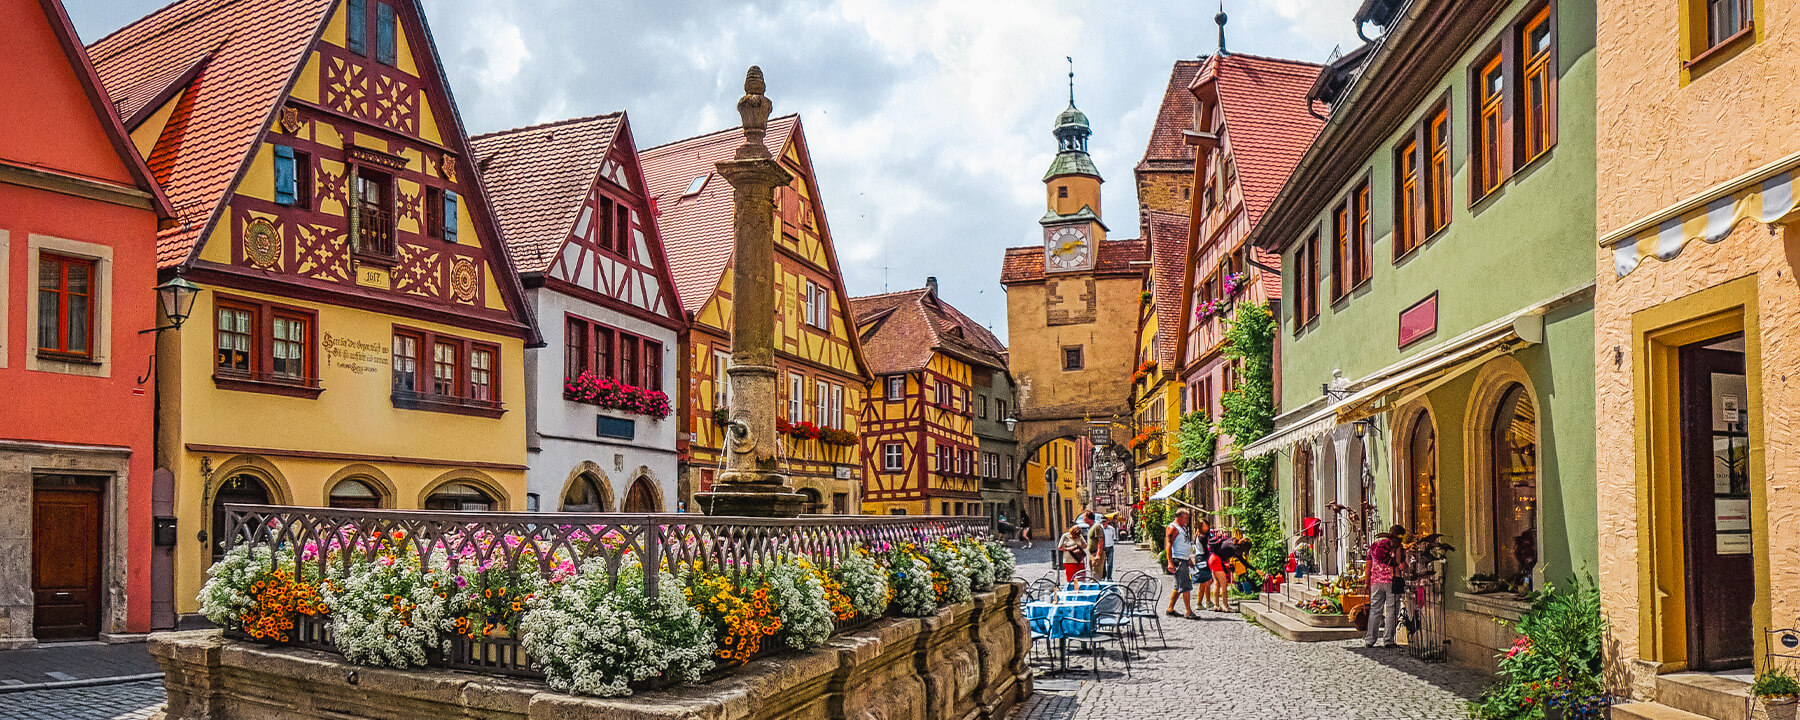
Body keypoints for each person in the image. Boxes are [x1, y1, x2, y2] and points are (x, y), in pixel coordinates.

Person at [1365, 524, 1407, 648]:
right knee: (1391, 611)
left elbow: (1368, 565)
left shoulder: (1374, 546)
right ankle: (1388, 640)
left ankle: (1370, 640)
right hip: (1391, 582)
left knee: (1375, 610)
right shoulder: (1397, 548)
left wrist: (1367, 582)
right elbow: (1400, 565)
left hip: (1376, 582)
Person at [1163, 509, 1199, 618]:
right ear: (1179, 517)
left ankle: (1170, 609)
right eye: (1185, 518)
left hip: (1183, 559)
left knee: (1178, 586)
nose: (1187, 520)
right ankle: (1188, 611)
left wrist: (1188, 559)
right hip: (1178, 560)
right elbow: (1168, 545)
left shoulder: (1182, 528)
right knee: (1186, 586)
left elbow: (1183, 544)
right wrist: (1170, 562)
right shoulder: (1173, 528)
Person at [1191, 517, 1215, 610]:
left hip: (1202, 557)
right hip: (1202, 558)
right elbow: (1207, 549)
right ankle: (1199, 603)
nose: (1206, 527)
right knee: (1204, 582)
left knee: (1208, 580)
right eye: (1203, 526)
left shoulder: (1203, 535)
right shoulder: (1202, 537)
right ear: (1200, 527)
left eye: (1207, 525)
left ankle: (1208, 601)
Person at [1084, 516, 1107, 580]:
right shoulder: (1090, 527)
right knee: (1093, 573)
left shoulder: (1096, 527)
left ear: (1089, 518)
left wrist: (1098, 554)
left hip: (1096, 553)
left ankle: (1098, 587)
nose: (1083, 519)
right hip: (1091, 553)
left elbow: (1100, 541)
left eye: (1085, 517)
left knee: (1096, 574)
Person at [1100, 513, 1121, 580]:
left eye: (1104, 521)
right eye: (1102, 522)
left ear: (1107, 522)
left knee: (1110, 563)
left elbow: (1113, 537)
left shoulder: (1111, 529)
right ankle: (1103, 576)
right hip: (1102, 548)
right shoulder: (1100, 529)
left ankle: (1109, 577)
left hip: (1110, 547)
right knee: (1102, 564)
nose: (1103, 523)